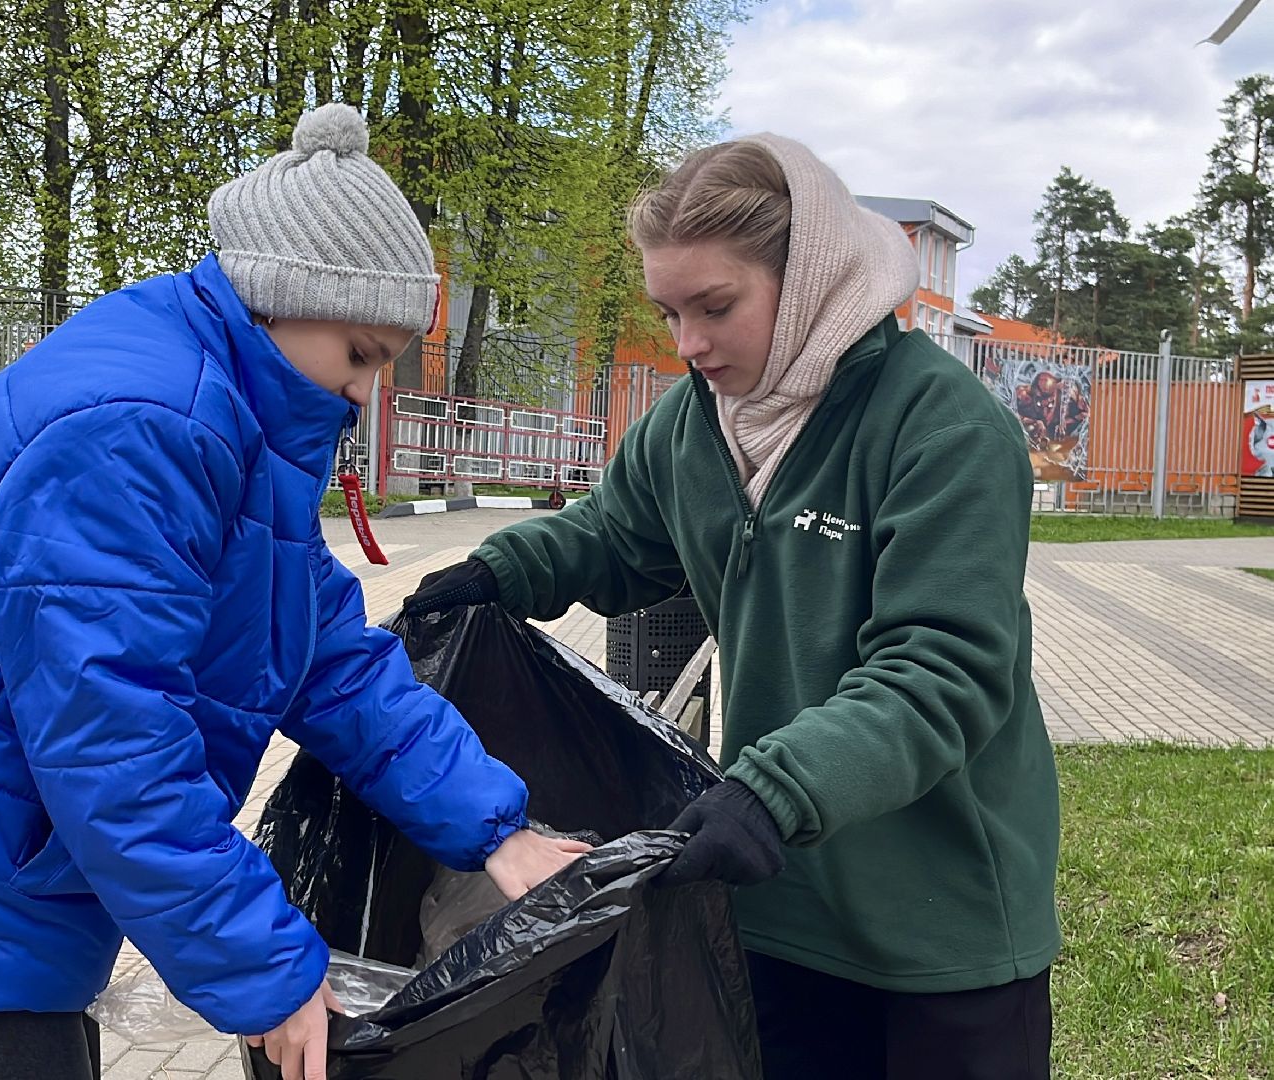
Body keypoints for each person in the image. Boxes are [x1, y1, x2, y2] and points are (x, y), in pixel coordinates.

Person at [0, 103, 588, 1080]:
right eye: (362, 354)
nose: (368, 390)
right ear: (285, 294)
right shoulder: (141, 428)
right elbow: (109, 743)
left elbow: (322, 651)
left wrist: (494, 828)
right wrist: (264, 966)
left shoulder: (234, 414)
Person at [405, 134, 1060, 1079]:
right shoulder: (689, 424)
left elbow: (941, 671)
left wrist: (776, 789)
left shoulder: (940, 425)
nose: (689, 346)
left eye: (716, 307)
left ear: (805, 285)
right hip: (770, 896)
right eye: (669, 312)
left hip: (936, 917)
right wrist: (498, 572)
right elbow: (612, 536)